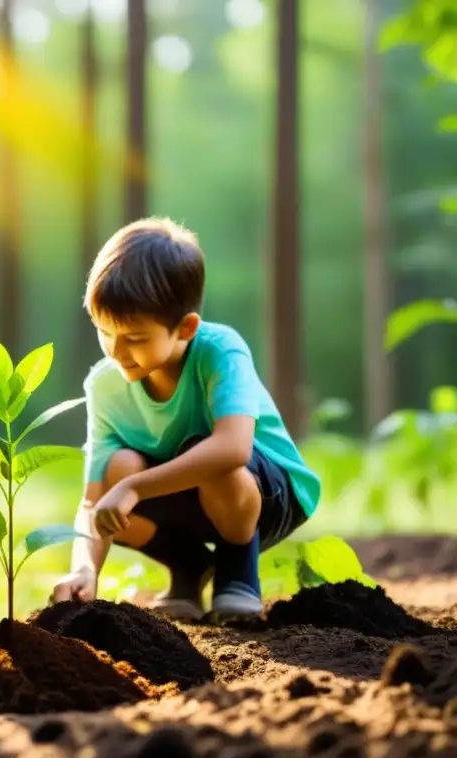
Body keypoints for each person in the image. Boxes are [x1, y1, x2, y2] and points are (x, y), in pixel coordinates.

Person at [51, 218, 321, 620]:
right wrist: (84, 567)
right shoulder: (105, 385)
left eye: (135, 338)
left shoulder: (218, 351)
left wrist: (135, 487)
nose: (116, 350)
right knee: (116, 468)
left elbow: (233, 448)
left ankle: (237, 571)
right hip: (187, 499)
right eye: (104, 331)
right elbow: (93, 500)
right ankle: (188, 565)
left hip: (268, 495)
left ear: (185, 328)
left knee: (203, 454)